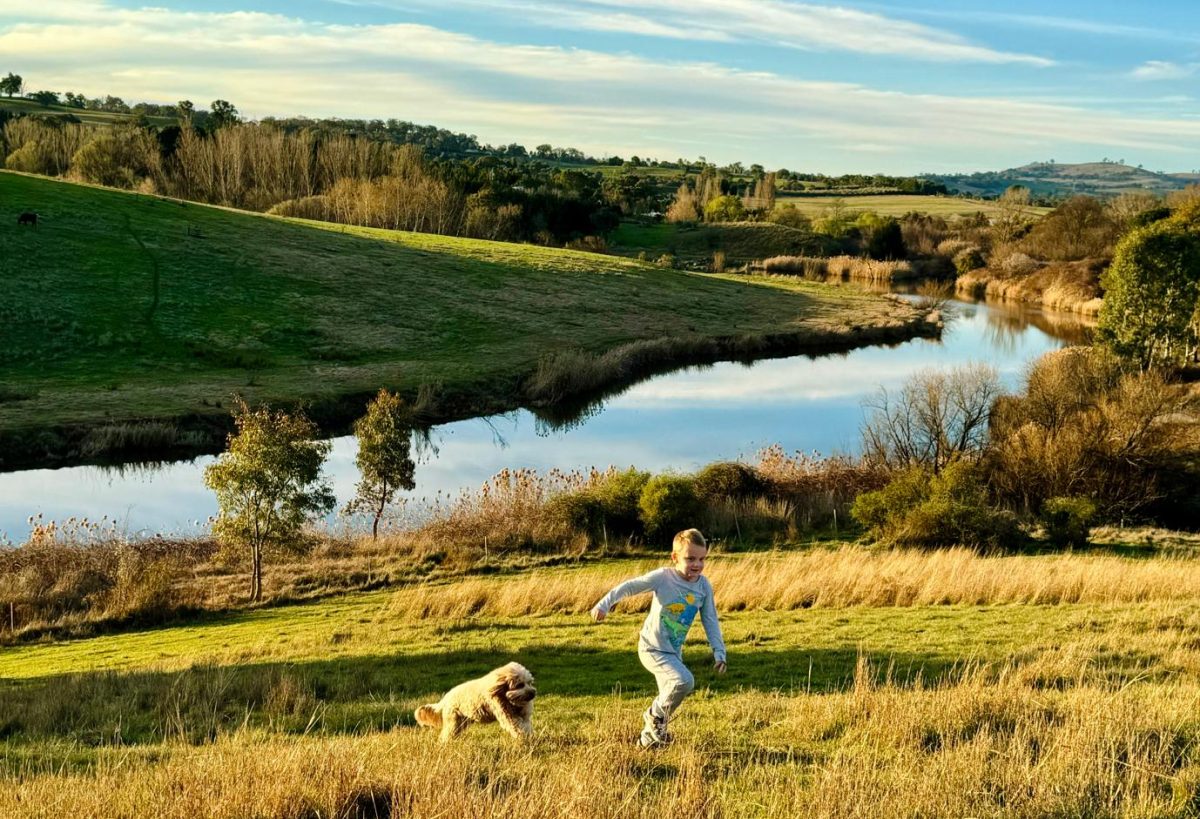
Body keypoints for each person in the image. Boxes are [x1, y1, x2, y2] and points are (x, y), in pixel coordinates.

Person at [590, 528, 727, 748]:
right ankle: (653, 715)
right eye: (690, 558)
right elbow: (630, 586)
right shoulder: (664, 577)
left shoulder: (703, 586)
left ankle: (648, 741)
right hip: (652, 648)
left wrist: (719, 652)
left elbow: (710, 619)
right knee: (683, 682)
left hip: (674, 652)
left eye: (702, 559)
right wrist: (603, 604)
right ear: (674, 557)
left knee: (670, 696)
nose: (697, 565)